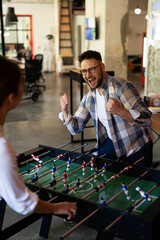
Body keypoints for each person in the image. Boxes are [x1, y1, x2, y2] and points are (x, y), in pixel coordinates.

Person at [0, 56, 77, 219]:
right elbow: (22, 202)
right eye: (20, 85)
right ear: (12, 97)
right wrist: (56, 208)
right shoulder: (2, 149)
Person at [59, 50, 153, 167]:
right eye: (84, 71)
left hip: (137, 145)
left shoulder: (121, 87)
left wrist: (121, 111)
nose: (88, 75)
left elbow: (147, 118)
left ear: (102, 67)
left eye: (92, 69)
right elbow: (75, 129)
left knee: (140, 183)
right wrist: (64, 111)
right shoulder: (89, 98)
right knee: (98, 168)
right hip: (114, 141)